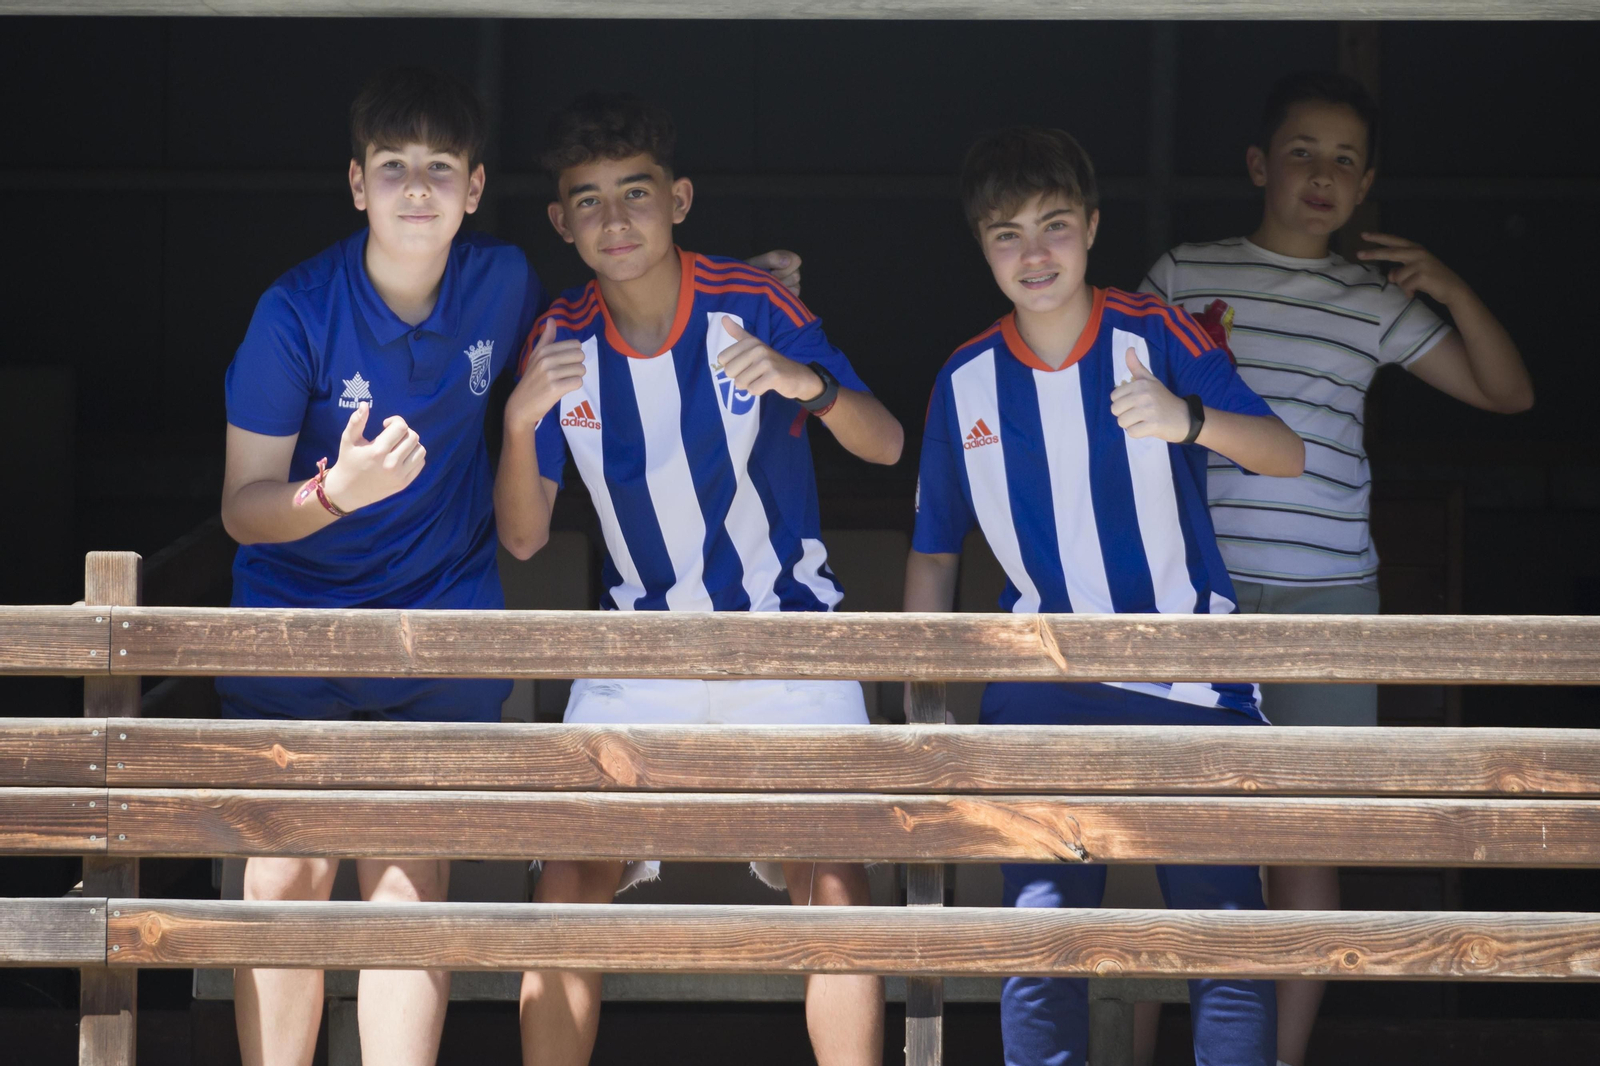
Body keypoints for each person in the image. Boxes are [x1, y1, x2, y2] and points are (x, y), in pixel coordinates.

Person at [217, 67, 800, 1066]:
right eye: (392, 168)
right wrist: (332, 494)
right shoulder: (294, 313)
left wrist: (754, 285)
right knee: (284, 878)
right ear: (356, 184)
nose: (415, 190)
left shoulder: (502, 285)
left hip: (438, 628)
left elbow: (621, 291)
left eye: (438, 169)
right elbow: (241, 507)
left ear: (475, 188)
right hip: (295, 628)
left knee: (408, 884)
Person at [495, 91, 903, 1066]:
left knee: (839, 885)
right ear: (561, 221)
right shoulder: (559, 338)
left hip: (789, 639)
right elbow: (520, 539)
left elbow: (886, 444)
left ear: (677, 198)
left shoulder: (752, 303)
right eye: (587, 201)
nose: (614, 219)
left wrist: (811, 384)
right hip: (638, 650)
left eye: (634, 193)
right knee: (562, 880)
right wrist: (517, 421)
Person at [1139, 70, 1533, 1066]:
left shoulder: (1369, 301)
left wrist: (1444, 283)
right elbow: (1100, 391)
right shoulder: (1186, 274)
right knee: (1183, 841)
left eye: (1345, 160)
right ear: (1258, 165)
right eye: (1303, 151)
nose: (1322, 174)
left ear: (1365, 189)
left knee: (1307, 843)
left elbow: (1506, 393)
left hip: (1329, 601)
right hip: (1201, 595)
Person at [903, 126, 1304, 1066]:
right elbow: (932, 556)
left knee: (1223, 942)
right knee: (1043, 945)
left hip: (1191, 682)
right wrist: (925, 712)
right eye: (1006, 234)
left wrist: (1189, 419)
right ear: (981, 246)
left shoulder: (1153, 336)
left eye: (1053, 226)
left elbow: (1284, 454)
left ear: (1089, 227)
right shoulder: (963, 381)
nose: (1033, 253)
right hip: (1040, 688)